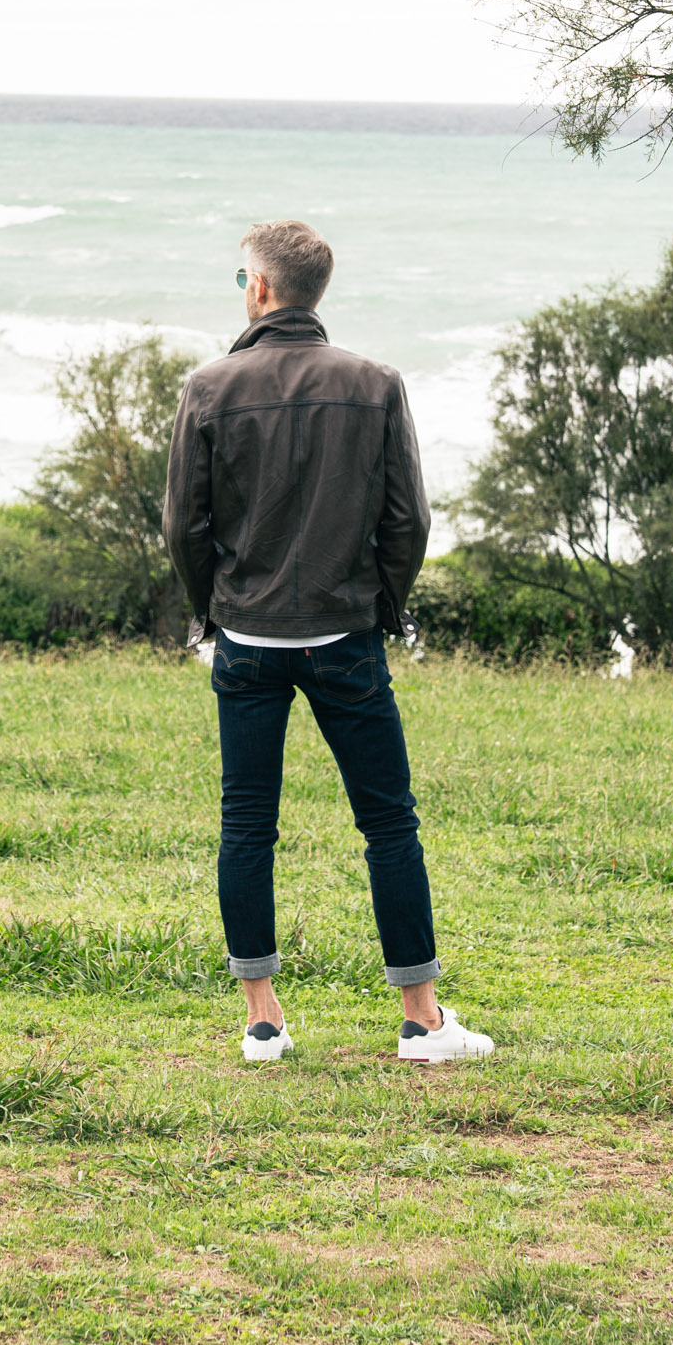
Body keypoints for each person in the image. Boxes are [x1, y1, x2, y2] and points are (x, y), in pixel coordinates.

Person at [162, 218, 494, 1067]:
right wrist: (381, 606)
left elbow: (184, 527)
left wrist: (214, 611)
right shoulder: (375, 383)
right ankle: (422, 1022)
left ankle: (262, 1023)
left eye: (242, 279)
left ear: (260, 289)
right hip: (346, 634)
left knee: (247, 824)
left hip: (247, 636)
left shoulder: (208, 386)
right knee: (388, 824)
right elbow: (408, 521)